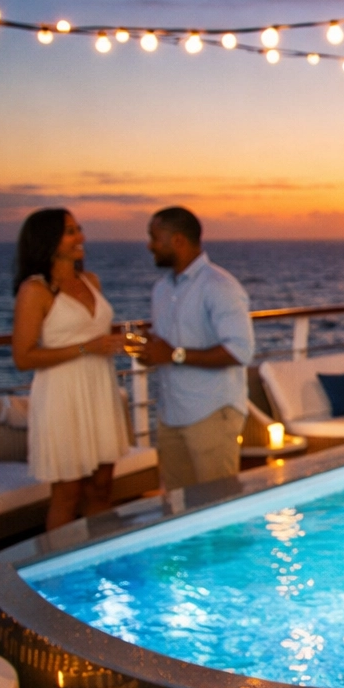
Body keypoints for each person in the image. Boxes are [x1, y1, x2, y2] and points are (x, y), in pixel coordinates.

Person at [10, 209, 130, 530]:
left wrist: (116, 343)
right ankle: (59, 575)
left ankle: (103, 565)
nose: (81, 237)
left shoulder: (91, 281)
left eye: (79, 229)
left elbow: (94, 332)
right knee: (67, 494)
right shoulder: (35, 291)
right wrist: (85, 348)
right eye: (70, 231)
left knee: (103, 487)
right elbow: (23, 357)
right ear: (48, 241)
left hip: (99, 389)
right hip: (62, 395)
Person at [137, 207, 254, 491]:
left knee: (219, 507)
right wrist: (151, 349)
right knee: (179, 509)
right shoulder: (162, 289)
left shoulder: (219, 286)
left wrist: (173, 355)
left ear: (177, 240)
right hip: (171, 415)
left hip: (210, 413)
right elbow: (171, 343)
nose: (149, 245)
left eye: (154, 237)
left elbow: (240, 351)